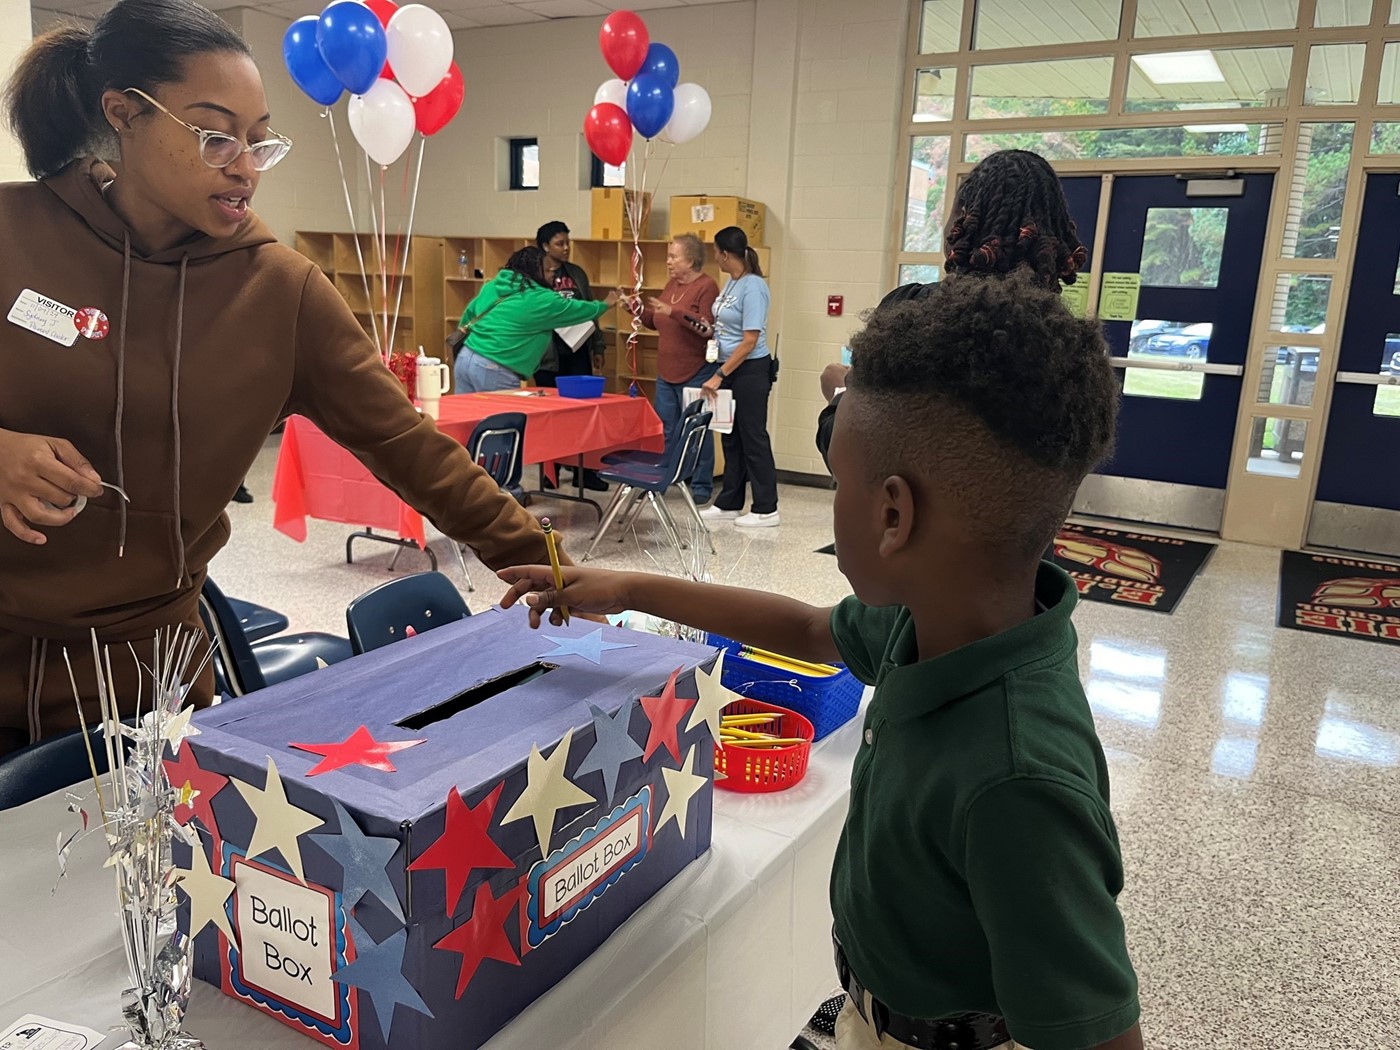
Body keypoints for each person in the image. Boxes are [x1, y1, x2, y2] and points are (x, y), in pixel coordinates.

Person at [496, 273, 1142, 1050]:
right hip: (876, 1011)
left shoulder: (1019, 781)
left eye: (839, 482)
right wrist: (628, 583)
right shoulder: (936, 620)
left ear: (894, 515)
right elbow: (804, 629)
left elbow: (1099, 1034)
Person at [0, 0, 574, 754]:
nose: (243, 165)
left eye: (259, 141)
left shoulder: (279, 292)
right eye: (214, 136)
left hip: (147, 685)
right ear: (124, 115)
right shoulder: (13, 233)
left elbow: (411, 448)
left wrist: (560, 576)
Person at [814, 148, 1089, 474]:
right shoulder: (1070, 347)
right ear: (1053, 238)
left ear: (961, 225)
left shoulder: (910, 314)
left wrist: (841, 393)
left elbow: (853, 451)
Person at [452, 246, 618, 394]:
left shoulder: (493, 285)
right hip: (496, 367)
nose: (552, 272)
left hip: (466, 358)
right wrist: (604, 305)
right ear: (533, 273)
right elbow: (575, 310)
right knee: (501, 424)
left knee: (468, 420)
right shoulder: (541, 298)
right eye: (546, 269)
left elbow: (469, 316)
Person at [697, 226, 778, 528]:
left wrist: (719, 374)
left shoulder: (754, 286)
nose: (714, 257)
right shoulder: (732, 283)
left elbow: (749, 340)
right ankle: (729, 502)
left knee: (753, 437)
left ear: (725, 254)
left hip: (749, 370)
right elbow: (728, 328)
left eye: (716, 252)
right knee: (729, 437)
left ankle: (766, 508)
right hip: (727, 366)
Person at [638, 233, 720, 504]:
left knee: (697, 430)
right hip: (666, 373)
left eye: (674, 256)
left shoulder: (707, 286)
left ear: (691, 260)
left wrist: (672, 310)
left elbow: (706, 328)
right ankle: (666, 478)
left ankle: (701, 485)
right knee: (667, 430)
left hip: (696, 371)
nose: (669, 262)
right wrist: (637, 310)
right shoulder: (672, 285)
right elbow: (656, 320)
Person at [533, 220, 610, 492]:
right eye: (559, 243)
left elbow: (591, 311)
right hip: (547, 355)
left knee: (583, 413)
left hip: (578, 351)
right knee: (549, 416)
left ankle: (585, 472)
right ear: (544, 246)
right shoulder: (534, 276)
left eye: (568, 242)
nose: (566, 248)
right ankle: (549, 472)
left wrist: (598, 347)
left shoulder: (576, 273)